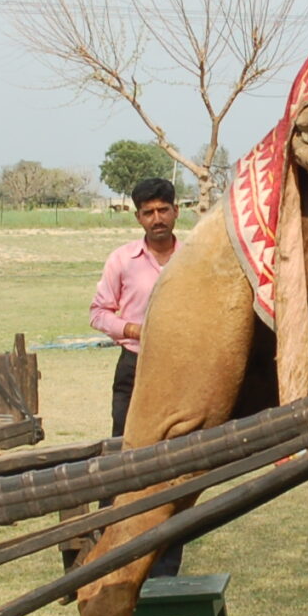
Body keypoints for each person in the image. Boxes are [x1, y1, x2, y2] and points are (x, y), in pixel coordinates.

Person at [90, 175, 184, 578]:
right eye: (148, 212)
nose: (157, 218)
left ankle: (164, 562)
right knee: (124, 452)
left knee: (179, 461)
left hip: (184, 368)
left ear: (177, 210)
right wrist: (132, 329)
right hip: (135, 366)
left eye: (164, 209)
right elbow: (98, 312)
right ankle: (103, 549)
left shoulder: (196, 253)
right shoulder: (122, 260)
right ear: (138, 217)